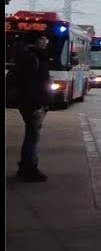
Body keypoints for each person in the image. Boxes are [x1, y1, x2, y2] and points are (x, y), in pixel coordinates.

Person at [14, 34, 52, 182]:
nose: (45, 42)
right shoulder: (32, 58)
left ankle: (26, 165)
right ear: (36, 42)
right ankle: (30, 168)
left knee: (31, 135)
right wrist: (38, 104)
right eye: (43, 40)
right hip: (33, 104)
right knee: (33, 137)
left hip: (31, 103)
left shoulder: (28, 56)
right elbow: (32, 85)